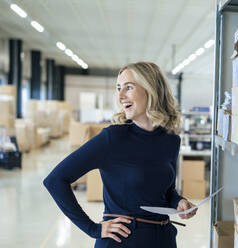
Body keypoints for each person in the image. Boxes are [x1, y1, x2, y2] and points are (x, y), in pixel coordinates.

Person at [43, 62, 198, 248]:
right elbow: (55, 180)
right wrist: (92, 228)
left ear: (152, 90)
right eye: (118, 88)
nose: (121, 96)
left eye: (129, 87)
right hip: (122, 241)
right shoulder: (113, 138)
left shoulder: (171, 140)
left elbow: (166, 191)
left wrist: (179, 202)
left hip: (163, 239)